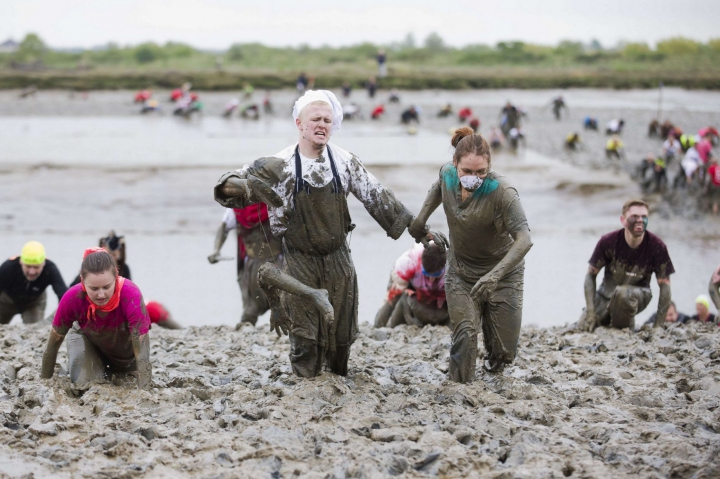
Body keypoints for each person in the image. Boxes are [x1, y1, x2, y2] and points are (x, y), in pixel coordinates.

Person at [213, 90, 416, 378]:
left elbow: (379, 197)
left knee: (341, 339)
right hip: (298, 261)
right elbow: (225, 187)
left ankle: (338, 384)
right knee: (304, 341)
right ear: (299, 123)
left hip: (339, 261)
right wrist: (246, 186)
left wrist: (419, 230)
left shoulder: (345, 162)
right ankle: (305, 387)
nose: (322, 125)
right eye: (315, 119)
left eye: (327, 120)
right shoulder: (279, 165)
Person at [408, 127, 532, 382]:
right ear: (455, 164)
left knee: (504, 353)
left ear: (489, 167)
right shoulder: (448, 174)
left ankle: (493, 351)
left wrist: (494, 277)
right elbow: (438, 188)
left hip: (503, 273)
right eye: (466, 171)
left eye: (480, 172)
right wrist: (421, 223)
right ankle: (459, 387)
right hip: (462, 271)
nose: (473, 178)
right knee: (464, 335)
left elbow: (524, 240)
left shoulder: (502, 192)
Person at [40, 248, 152, 389]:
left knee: (128, 378)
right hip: (87, 339)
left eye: (106, 287)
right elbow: (53, 343)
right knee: (84, 386)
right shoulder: (72, 297)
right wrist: (44, 382)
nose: (101, 295)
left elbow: (142, 351)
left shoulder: (131, 295)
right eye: (94, 288)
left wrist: (145, 391)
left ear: (116, 277)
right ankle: (87, 366)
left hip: (124, 351)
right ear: (82, 281)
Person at [579, 199, 674, 331]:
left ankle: (624, 326)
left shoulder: (657, 246)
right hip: (606, 295)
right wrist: (591, 311)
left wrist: (658, 324)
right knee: (583, 325)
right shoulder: (608, 242)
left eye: (644, 217)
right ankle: (607, 320)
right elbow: (590, 275)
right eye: (634, 216)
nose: (640, 220)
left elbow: (665, 285)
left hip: (639, 294)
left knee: (623, 294)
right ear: (623, 220)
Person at [208, 204, 282, 327]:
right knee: (251, 309)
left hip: (277, 263)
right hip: (253, 266)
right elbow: (224, 227)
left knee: (287, 304)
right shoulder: (237, 209)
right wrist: (216, 250)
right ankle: (247, 333)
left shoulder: (276, 203)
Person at [374, 243, 448, 329]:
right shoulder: (406, 264)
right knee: (395, 318)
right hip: (416, 300)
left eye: (436, 275)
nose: (431, 280)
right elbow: (391, 299)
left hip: (443, 304)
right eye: (427, 274)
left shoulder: (455, 267)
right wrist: (378, 325)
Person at [0, 241, 67, 324]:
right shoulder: (8, 267)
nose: (32, 272)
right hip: (7, 301)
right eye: (28, 266)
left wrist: (59, 318)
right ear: (21, 262)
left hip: (34, 303)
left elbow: (64, 296)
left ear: (43, 263)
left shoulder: (50, 269)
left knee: (34, 330)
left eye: (36, 267)